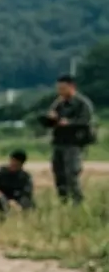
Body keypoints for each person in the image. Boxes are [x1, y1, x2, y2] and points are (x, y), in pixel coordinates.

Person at [43, 74, 96, 203]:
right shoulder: (58, 103)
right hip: (59, 141)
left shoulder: (82, 103)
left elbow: (85, 121)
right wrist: (51, 118)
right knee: (59, 173)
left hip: (74, 143)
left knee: (71, 173)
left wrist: (69, 123)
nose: (60, 91)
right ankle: (64, 201)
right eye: (59, 89)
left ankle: (77, 201)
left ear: (72, 87)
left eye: (63, 88)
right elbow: (51, 121)